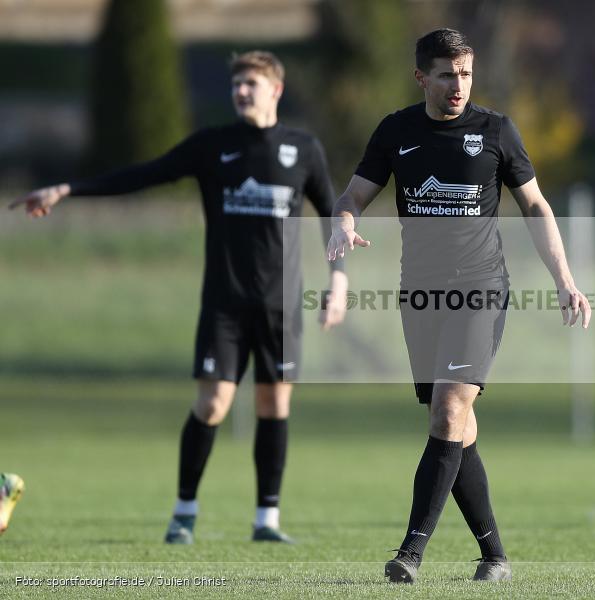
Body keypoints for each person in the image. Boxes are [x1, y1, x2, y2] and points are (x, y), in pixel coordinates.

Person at [9, 51, 347, 545]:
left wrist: (338, 279)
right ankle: (184, 512)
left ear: (275, 89)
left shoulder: (304, 148)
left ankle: (266, 520)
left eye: (250, 83)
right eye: (236, 84)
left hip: (281, 307)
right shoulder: (213, 146)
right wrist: (68, 188)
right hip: (225, 304)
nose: (240, 92)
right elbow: (143, 174)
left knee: (274, 406)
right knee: (212, 404)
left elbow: (335, 216)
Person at [327, 29, 592, 582]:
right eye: (446, 74)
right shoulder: (396, 131)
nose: (458, 85)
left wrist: (566, 279)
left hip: (481, 289)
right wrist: (343, 226)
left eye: (466, 74)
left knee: (450, 409)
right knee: (455, 424)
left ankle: (410, 554)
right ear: (421, 76)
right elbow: (352, 195)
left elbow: (536, 207)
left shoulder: (496, 131)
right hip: (419, 294)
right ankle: (494, 556)